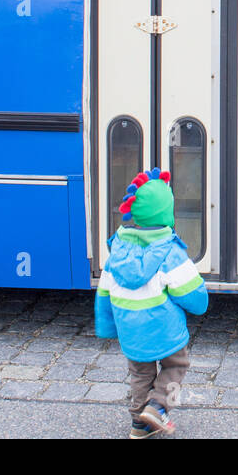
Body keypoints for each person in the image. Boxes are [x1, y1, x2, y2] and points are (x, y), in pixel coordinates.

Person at [95, 167, 208, 439]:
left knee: (140, 374)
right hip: (164, 329)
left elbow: (104, 295)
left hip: (131, 331)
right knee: (176, 365)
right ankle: (159, 407)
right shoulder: (169, 251)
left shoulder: (116, 251)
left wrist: (108, 328)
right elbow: (193, 294)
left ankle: (139, 423)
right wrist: (200, 306)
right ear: (167, 213)